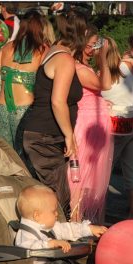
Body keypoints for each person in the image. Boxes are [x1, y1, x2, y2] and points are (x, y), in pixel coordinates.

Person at [21, 10, 85, 219]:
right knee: (57, 193)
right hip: (45, 135)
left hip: (44, 133)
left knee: (53, 190)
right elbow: (57, 102)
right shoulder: (64, 59)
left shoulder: (53, 51)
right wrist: (69, 135)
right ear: (80, 34)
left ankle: (53, 234)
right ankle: (56, 238)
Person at [0, 11, 47, 148]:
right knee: (23, 157)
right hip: (24, 110)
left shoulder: (7, 47)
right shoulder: (42, 50)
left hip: (2, 110)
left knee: (4, 155)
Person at [67, 26, 113, 224]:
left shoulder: (84, 65)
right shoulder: (78, 67)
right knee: (81, 173)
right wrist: (103, 58)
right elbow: (106, 84)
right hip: (86, 123)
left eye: (95, 45)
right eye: (90, 45)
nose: (92, 49)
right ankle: (76, 218)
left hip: (98, 120)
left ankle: (94, 219)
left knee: (97, 174)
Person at [101, 36, 133, 220]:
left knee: (104, 170)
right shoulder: (129, 67)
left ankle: (100, 213)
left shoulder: (101, 76)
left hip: (116, 125)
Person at [15, 184, 108, 264]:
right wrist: (51, 243)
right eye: (53, 211)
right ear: (37, 215)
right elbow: (25, 247)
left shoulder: (49, 227)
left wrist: (89, 229)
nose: (57, 214)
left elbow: (68, 229)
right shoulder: (26, 232)